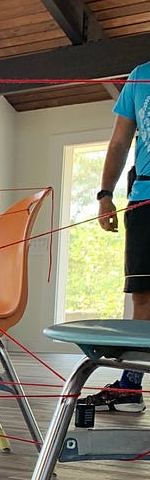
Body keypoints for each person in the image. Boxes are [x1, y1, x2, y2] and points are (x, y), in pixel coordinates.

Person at [85, 68, 150, 414]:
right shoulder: (141, 76)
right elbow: (120, 141)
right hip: (144, 199)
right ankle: (130, 388)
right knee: (144, 298)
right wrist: (105, 194)